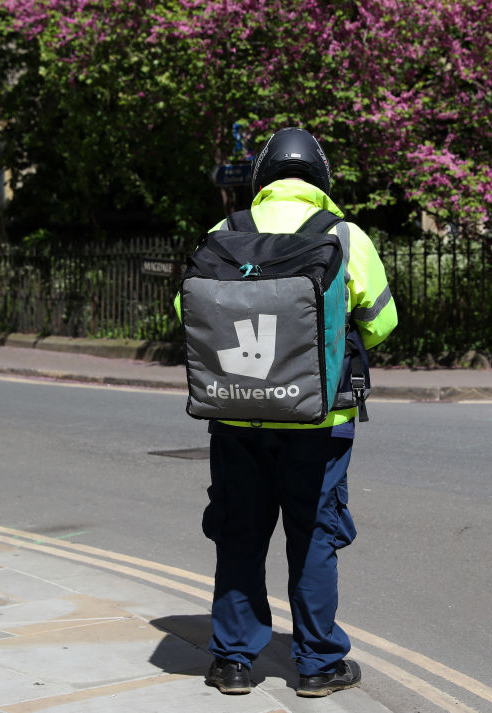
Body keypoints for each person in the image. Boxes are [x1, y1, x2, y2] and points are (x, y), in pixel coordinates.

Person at [181, 127, 398, 697]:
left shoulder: (224, 233)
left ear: (262, 179)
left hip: (235, 416)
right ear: (320, 179)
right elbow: (381, 322)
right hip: (317, 419)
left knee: (240, 535)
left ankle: (231, 662)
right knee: (313, 537)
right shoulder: (344, 236)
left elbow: (186, 309)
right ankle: (319, 664)